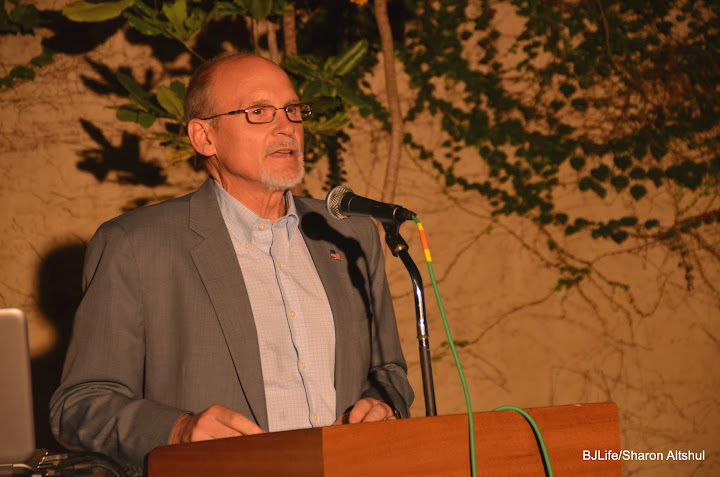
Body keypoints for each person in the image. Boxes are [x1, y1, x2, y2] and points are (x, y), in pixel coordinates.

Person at [49, 52, 414, 472]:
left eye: (292, 110)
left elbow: (388, 371)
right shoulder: (135, 245)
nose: (286, 126)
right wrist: (177, 431)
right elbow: (81, 403)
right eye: (258, 112)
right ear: (204, 137)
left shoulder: (350, 234)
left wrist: (383, 406)